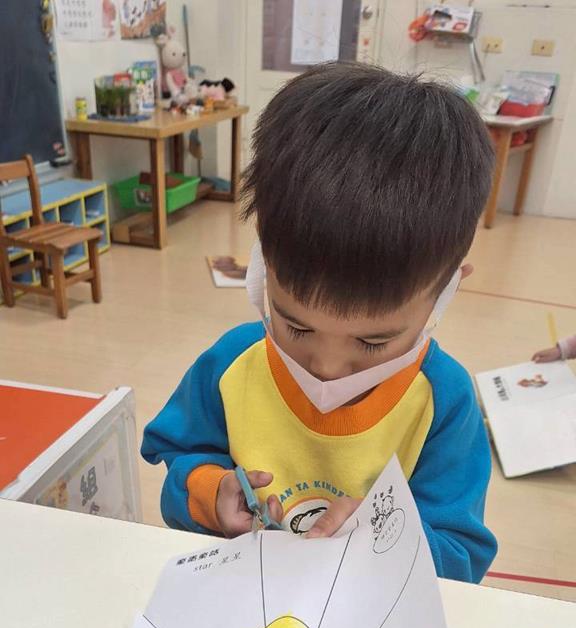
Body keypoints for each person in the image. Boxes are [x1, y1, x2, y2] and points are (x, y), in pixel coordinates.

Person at [142, 63, 497, 583]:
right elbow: (179, 460)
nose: (327, 367)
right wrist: (209, 492)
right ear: (262, 264)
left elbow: (462, 554)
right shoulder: (232, 364)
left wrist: (387, 543)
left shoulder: (442, 401)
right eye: (297, 327)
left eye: (372, 342)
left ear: (446, 290)